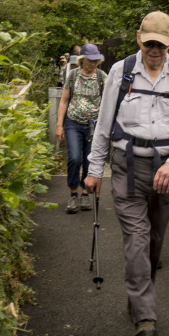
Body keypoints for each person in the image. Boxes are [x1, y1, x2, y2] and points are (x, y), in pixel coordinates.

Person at [85, 11, 169, 336]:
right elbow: (104, 124)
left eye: (161, 45)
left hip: (167, 168)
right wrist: (94, 169)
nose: (154, 49)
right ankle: (145, 319)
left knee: (154, 241)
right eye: (149, 42)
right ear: (139, 38)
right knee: (137, 237)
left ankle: (137, 298)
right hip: (126, 166)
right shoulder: (120, 73)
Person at [56, 44, 107, 213]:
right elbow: (64, 101)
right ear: (82, 60)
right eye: (90, 60)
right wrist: (59, 125)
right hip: (73, 122)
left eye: (96, 60)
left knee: (89, 160)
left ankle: (85, 195)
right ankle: (73, 194)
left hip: (94, 125)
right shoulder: (72, 75)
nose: (93, 64)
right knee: (74, 158)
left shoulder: (101, 77)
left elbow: (109, 102)